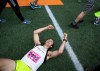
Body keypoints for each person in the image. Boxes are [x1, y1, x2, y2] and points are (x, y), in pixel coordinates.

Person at [0, 24, 67, 71]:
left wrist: (65, 39)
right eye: (49, 39)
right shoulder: (38, 45)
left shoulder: (48, 54)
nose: (49, 40)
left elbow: (60, 51)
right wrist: (46, 27)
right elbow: (35, 32)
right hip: (19, 63)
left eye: (51, 41)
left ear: (51, 46)